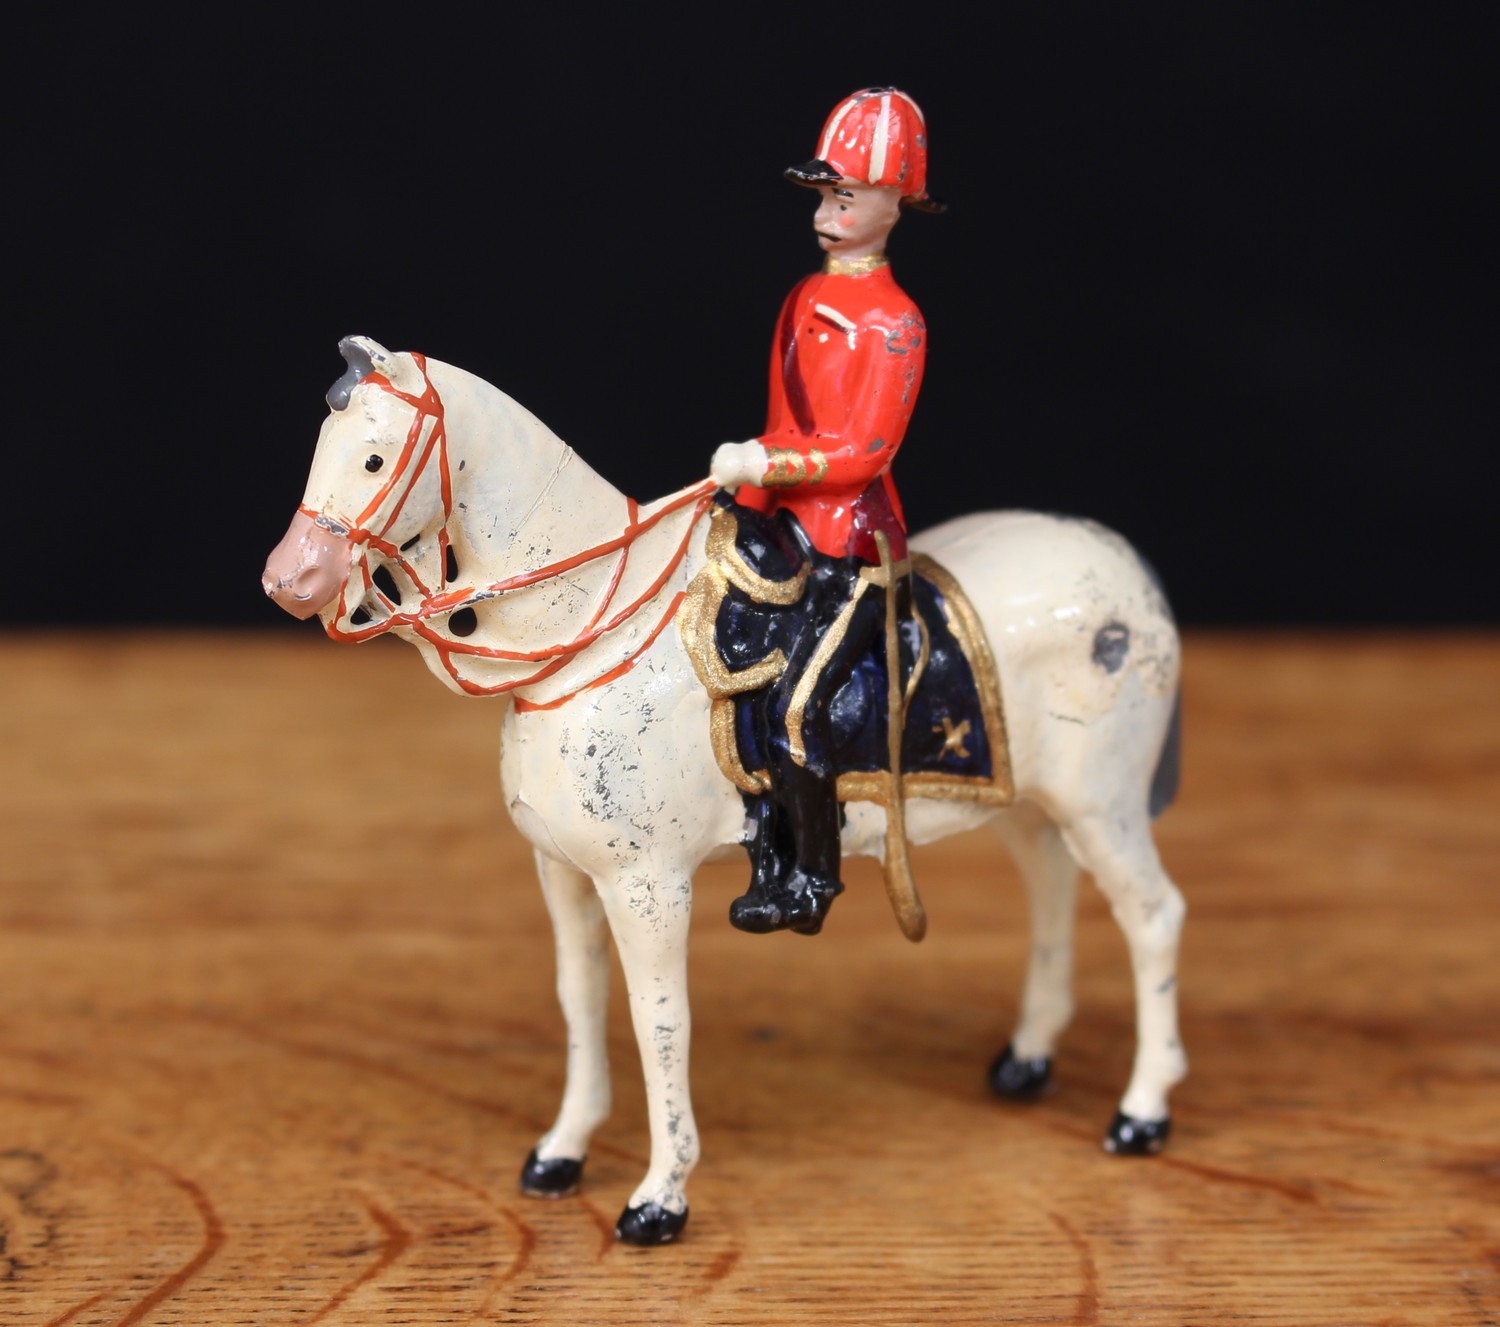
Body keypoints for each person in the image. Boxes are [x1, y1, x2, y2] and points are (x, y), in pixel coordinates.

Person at [710, 87, 941, 935]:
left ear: (895, 204)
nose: (827, 215)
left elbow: (865, 452)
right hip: (784, 522)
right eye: (823, 197)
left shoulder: (898, 325)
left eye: (846, 197)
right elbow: (783, 415)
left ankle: (814, 876)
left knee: (799, 706)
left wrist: (769, 463)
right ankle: (762, 841)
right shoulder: (803, 298)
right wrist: (744, 497)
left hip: (854, 544)